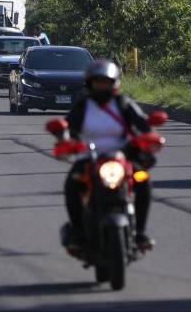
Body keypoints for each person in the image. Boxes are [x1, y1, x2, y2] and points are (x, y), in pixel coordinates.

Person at [63, 59, 154, 250]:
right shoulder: (82, 106)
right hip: (89, 157)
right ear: (90, 84)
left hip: (122, 157)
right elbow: (68, 129)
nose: (101, 86)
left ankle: (140, 233)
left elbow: (143, 124)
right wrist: (65, 141)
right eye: (97, 83)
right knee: (72, 183)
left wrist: (150, 137)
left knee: (143, 180)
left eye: (105, 82)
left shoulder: (123, 104)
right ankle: (78, 233)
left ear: (114, 83)